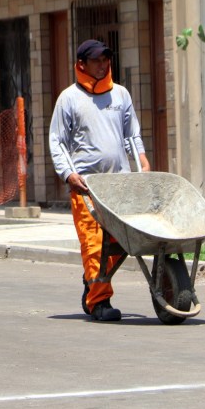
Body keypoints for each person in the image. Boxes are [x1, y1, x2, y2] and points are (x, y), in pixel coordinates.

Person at [48, 39, 151, 322]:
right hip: (87, 187)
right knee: (94, 244)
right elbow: (57, 141)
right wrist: (68, 174)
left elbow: (132, 134)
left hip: (120, 186)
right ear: (81, 64)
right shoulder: (69, 99)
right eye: (96, 60)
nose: (103, 64)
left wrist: (141, 159)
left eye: (106, 59)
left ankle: (91, 279)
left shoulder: (121, 95)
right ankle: (99, 301)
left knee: (121, 242)